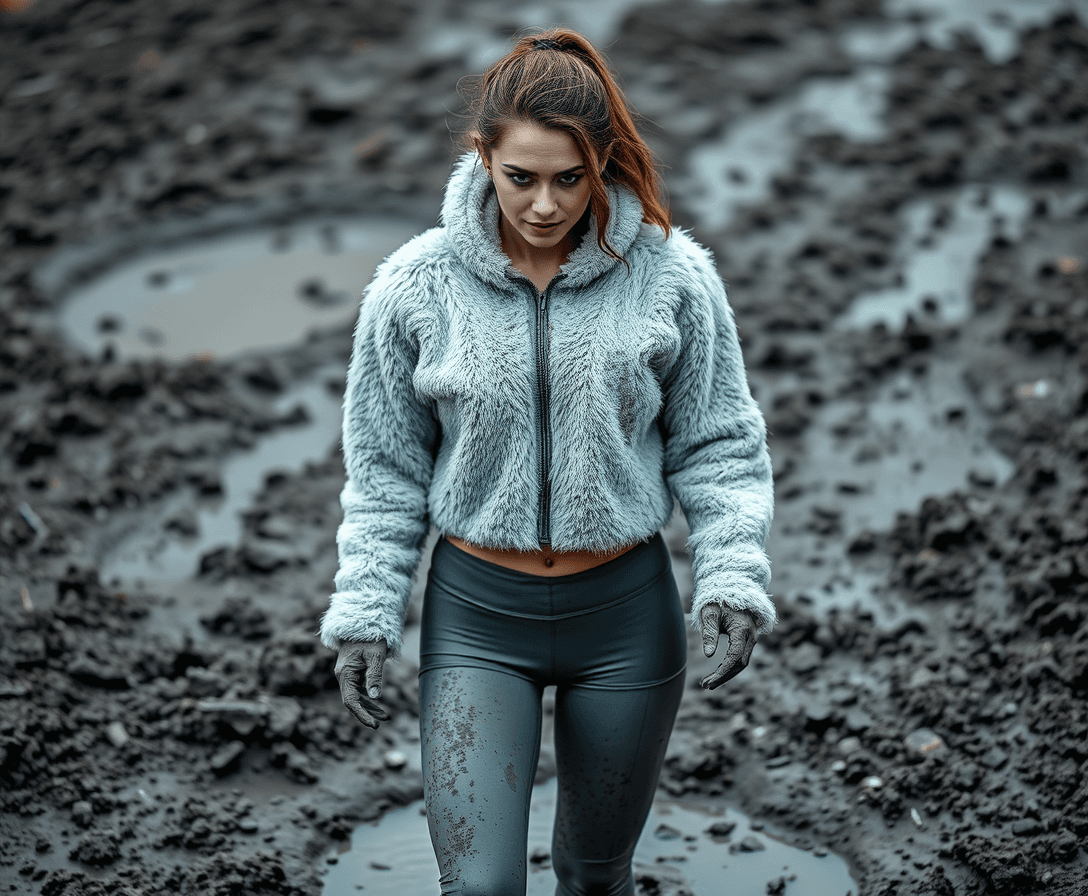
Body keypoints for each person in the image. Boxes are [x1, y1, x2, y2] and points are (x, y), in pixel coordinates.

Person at [320, 27, 775, 896]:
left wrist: (730, 580)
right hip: (479, 621)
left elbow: (720, 447)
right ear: (482, 155)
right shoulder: (414, 290)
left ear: (603, 163)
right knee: (481, 888)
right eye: (520, 176)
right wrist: (366, 610)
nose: (543, 204)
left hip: (627, 621)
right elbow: (384, 474)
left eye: (570, 178)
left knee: (595, 875)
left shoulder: (672, 278)